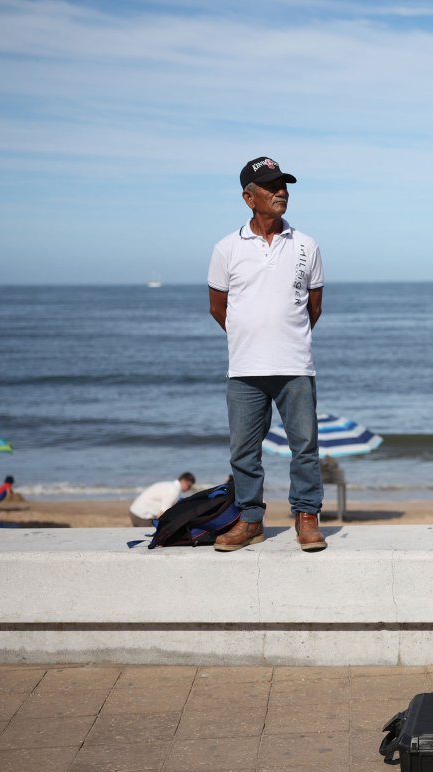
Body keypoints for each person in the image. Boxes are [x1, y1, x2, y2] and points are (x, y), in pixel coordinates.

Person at [208, 156, 327, 553]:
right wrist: (249, 337)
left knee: (304, 447)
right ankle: (250, 520)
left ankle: (307, 517)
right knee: (243, 450)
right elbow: (218, 307)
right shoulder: (226, 248)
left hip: (295, 365)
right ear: (248, 197)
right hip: (244, 369)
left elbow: (314, 307)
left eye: (283, 185)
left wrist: (284, 337)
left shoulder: (307, 245)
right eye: (271, 186)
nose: (281, 192)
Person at [130, 472, 196, 527]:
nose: (189, 489)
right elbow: (162, 514)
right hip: (141, 517)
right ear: (184, 481)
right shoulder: (173, 491)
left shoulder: (170, 485)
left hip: (135, 512)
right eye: (189, 486)